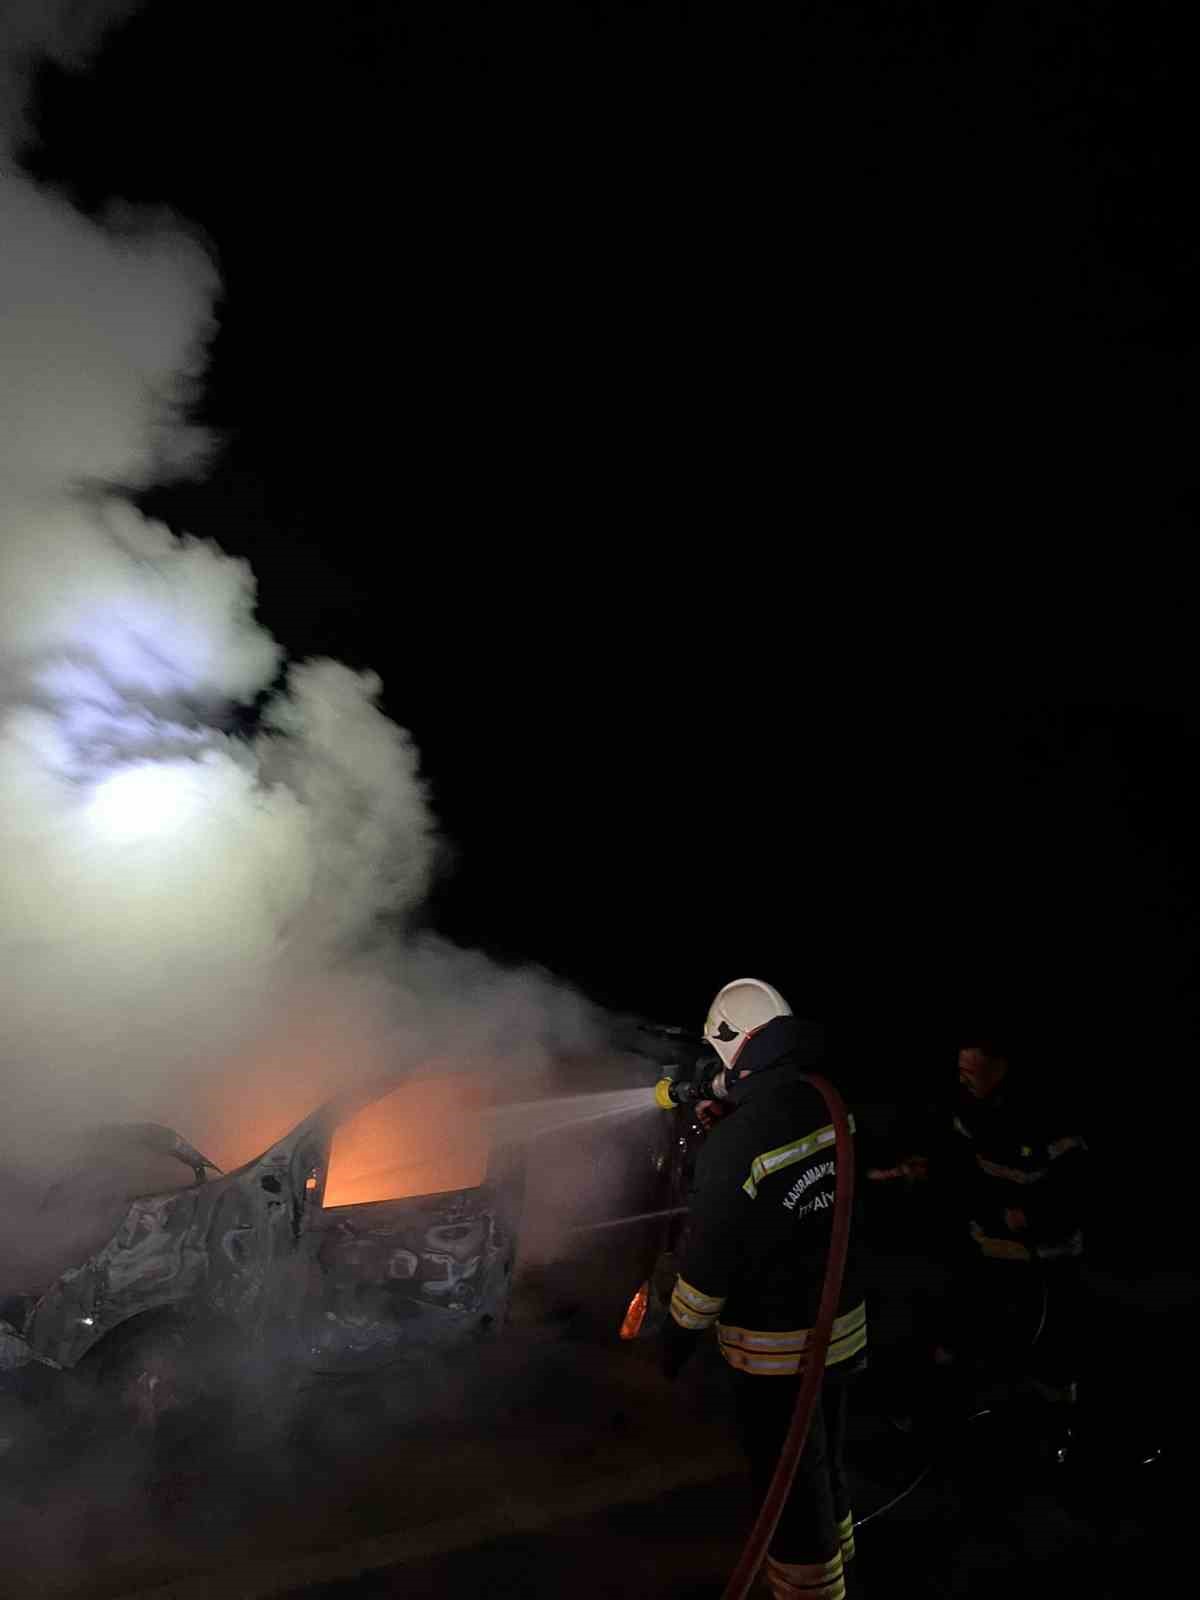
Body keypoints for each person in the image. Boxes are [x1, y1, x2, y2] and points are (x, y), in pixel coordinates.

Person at [659, 979, 868, 1600]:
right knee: (825, 1457)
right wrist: (735, 1119)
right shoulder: (825, 1098)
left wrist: (675, 1338)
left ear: (734, 1046)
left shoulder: (737, 1144)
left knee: (788, 1483)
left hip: (776, 1348)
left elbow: (707, 1267)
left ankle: (809, 1591)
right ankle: (843, 1561)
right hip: (842, 1325)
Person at [870, 1030, 1089, 1452]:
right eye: (959, 1069)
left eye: (971, 1069)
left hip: (1047, 1265)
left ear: (1000, 1065)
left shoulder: (1051, 1118)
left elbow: (1075, 1198)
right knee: (955, 1341)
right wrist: (915, 1173)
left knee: (1051, 1358)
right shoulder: (967, 1110)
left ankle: (1058, 1440)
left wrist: (1028, 1227)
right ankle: (939, 1434)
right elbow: (958, 1169)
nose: (962, 1077)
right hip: (984, 1256)